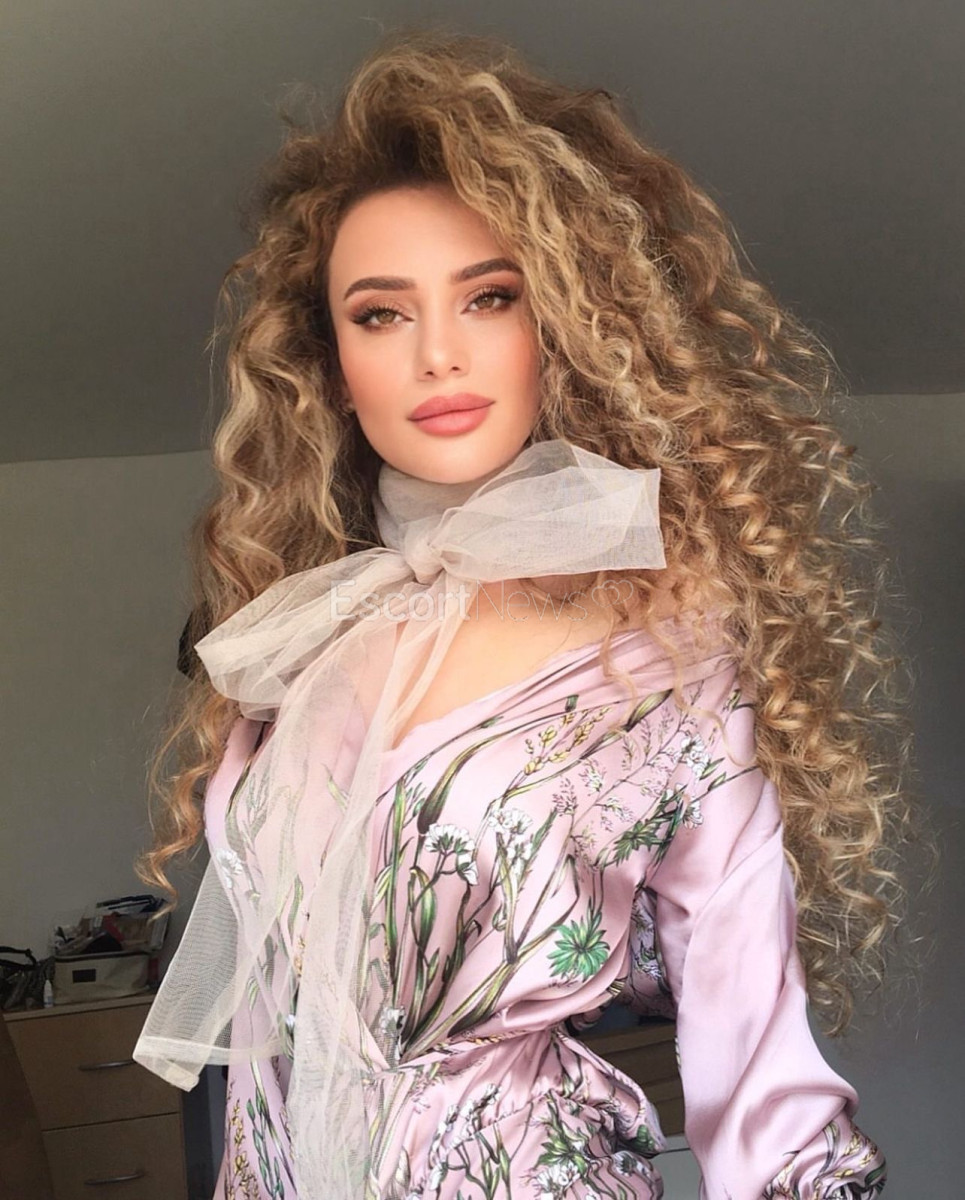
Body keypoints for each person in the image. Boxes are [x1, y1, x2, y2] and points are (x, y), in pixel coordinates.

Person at [132, 29, 918, 1200]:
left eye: (488, 297)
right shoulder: (306, 635)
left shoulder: (664, 654)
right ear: (330, 362)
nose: (438, 355)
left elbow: (752, 1047)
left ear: (558, 322)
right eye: (381, 314)